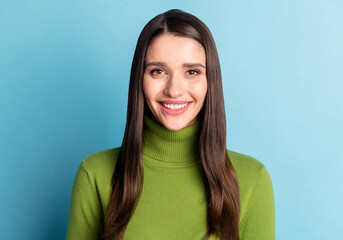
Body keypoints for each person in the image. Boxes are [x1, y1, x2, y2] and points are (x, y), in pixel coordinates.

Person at [66, 9, 275, 240]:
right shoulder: (95, 173)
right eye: (158, 71)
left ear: (210, 81)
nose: (174, 90)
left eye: (192, 71)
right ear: (140, 79)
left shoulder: (252, 179)